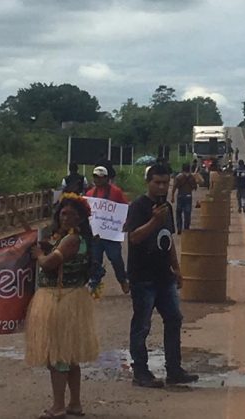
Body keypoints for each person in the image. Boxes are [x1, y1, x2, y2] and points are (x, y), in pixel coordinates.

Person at [124, 164, 199, 388]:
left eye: (165, 183)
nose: (162, 187)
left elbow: (168, 239)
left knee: (174, 319)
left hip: (164, 276)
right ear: (148, 183)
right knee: (142, 325)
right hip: (142, 276)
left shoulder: (167, 207)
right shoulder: (138, 207)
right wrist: (153, 222)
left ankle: (174, 369)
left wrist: (176, 268)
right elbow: (133, 237)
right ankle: (140, 371)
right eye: (157, 182)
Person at [25, 193, 99, 418]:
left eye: (71, 214)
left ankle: (58, 407)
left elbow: (49, 263)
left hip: (61, 300)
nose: (65, 217)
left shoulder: (71, 239)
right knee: (70, 355)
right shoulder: (70, 238)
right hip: (70, 299)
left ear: (80, 218)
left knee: (58, 355)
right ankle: (74, 404)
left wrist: (39, 254)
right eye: (63, 213)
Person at [85, 166, 130, 294]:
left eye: (101, 177)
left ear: (107, 178)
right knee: (95, 261)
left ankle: (122, 280)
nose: (98, 179)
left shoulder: (116, 192)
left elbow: (124, 208)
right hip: (96, 236)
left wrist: (125, 222)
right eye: (96, 177)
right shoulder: (89, 194)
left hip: (111, 234)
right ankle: (94, 285)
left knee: (116, 258)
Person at [171, 163, 198, 234]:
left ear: (182, 169)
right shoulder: (192, 177)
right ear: (189, 169)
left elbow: (174, 187)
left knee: (178, 212)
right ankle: (186, 228)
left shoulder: (178, 177)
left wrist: (172, 196)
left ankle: (179, 228)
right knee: (187, 213)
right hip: (188, 196)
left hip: (180, 196)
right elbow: (195, 187)